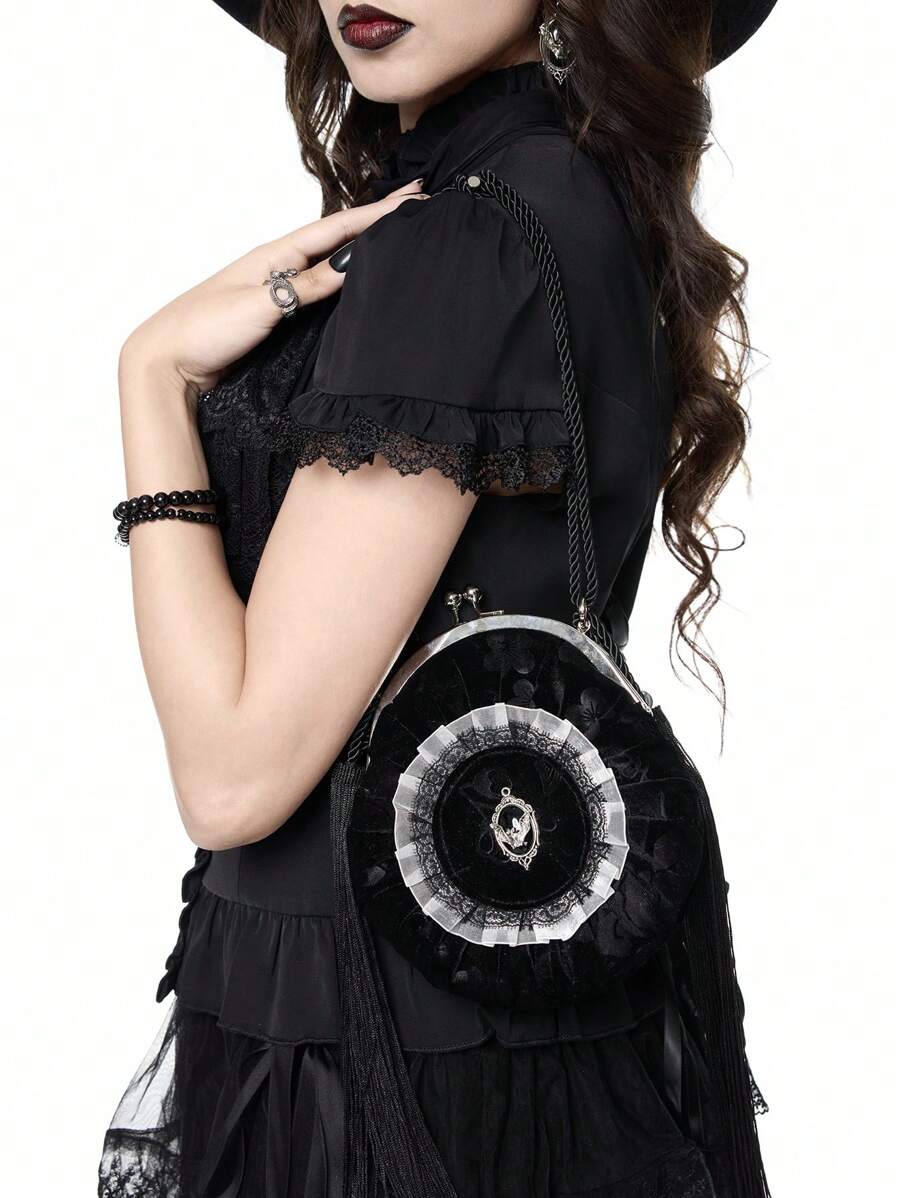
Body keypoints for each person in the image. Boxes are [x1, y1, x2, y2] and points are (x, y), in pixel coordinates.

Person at [97, 2, 778, 1196]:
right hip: (491, 1001)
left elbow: (234, 774)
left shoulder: (471, 235)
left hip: (383, 1063)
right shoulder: (555, 191)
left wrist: (150, 380)